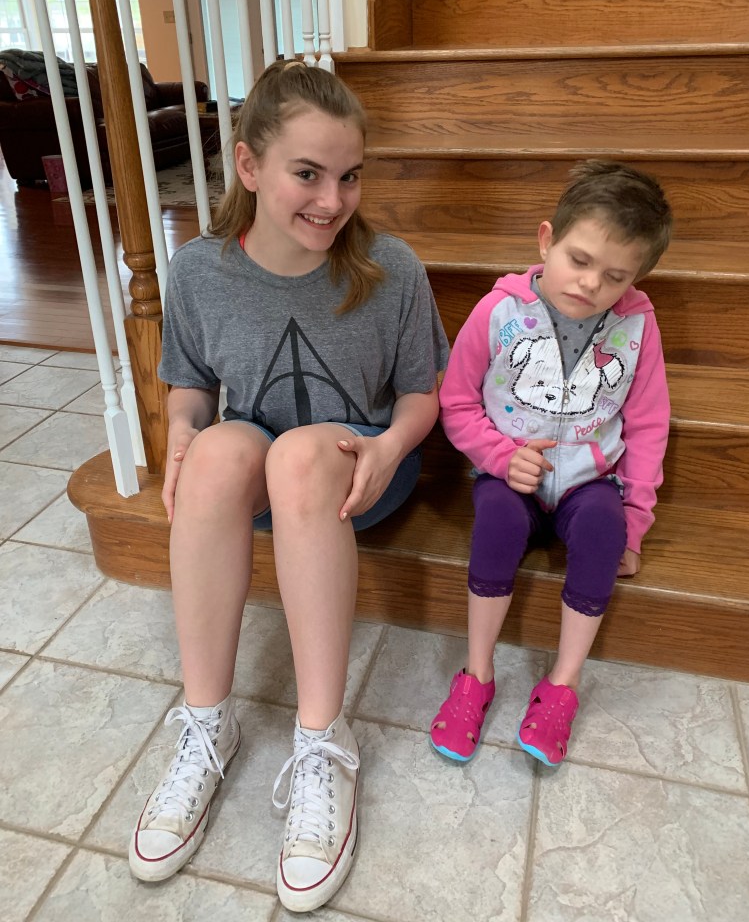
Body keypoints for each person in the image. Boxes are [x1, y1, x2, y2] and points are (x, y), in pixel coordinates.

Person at [128, 59, 449, 912]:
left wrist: (390, 447)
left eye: (349, 176)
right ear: (249, 165)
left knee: (302, 456)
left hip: (357, 472)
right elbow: (190, 385)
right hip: (262, 471)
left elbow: (422, 393)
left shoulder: (391, 268)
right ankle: (207, 725)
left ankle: (322, 738)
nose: (332, 200)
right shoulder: (198, 271)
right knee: (219, 454)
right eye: (307, 173)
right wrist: (183, 432)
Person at [429, 160, 672, 768]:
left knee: (605, 528)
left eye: (615, 276)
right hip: (508, 476)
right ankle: (476, 675)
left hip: (591, 482)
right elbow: (456, 402)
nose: (590, 284)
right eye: (579, 260)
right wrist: (500, 456)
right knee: (496, 522)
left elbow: (647, 426)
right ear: (546, 240)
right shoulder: (497, 312)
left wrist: (636, 521)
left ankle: (563, 685)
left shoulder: (638, 327)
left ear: (636, 277)